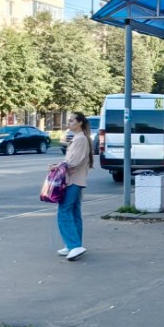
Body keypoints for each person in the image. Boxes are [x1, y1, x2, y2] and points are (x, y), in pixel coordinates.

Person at [57, 112, 93, 261]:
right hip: (75, 180)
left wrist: (57, 167)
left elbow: (74, 162)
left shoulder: (80, 139)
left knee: (64, 212)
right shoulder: (79, 138)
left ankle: (74, 245)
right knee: (73, 211)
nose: (69, 123)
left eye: (72, 121)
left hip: (73, 181)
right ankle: (72, 244)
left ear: (79, 123)